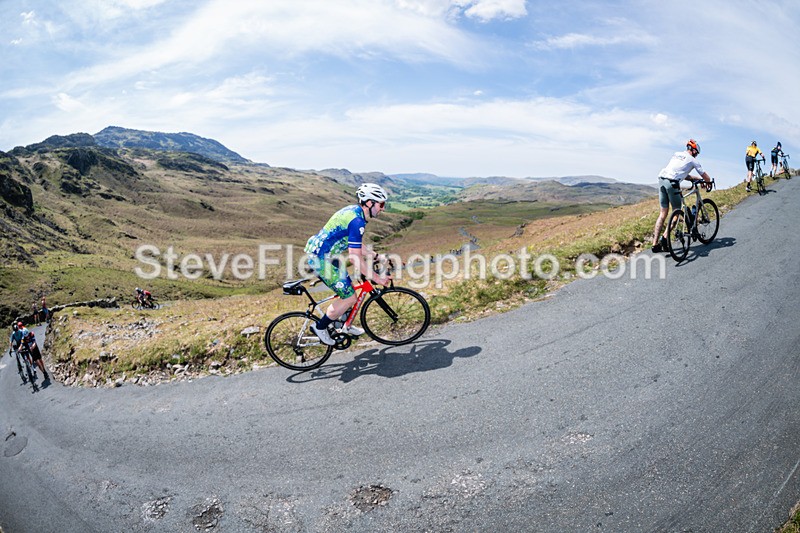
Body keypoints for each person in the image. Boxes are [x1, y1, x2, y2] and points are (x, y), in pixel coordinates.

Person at [304, 183, 392, 345]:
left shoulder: (354, 211)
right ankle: (320, 327)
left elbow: (355, 245)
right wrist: (377, 279)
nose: (382, 209)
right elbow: (355, 258)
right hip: (321, 260)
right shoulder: (357, 221)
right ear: (369, 203)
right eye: (381, 204)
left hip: (325, 254)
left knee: (349, 287)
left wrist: (376, 256)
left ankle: (344, 324)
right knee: (350, 297)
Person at [651, 139, 713, 253]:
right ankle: (664, 238)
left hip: (662, 180)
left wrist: (697, 179)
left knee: (663, 214)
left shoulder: (677, 154)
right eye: (697, 153)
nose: (697, 155)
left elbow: (682, 173)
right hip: (672, 183)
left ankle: (654, 244)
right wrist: (708, 182)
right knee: (676, 212)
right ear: (694, 151)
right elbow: (705, 176)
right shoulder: (693, 160)